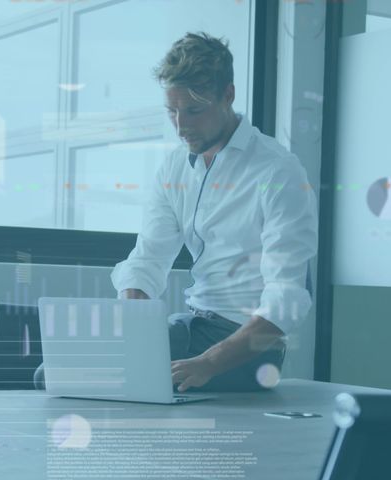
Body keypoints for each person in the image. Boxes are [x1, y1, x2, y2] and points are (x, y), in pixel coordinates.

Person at [111, 32, 318, 393]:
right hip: (193, 325)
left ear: (228, 95)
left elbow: (288, 298)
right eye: (172, 111)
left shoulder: (278, 171)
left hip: (247, 346)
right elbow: (147, 260)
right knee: (72, 367)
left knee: (112, 378)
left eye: (194, 110)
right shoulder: (174, 168)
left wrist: (209, 363)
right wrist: (132, 327)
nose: (180, 125)